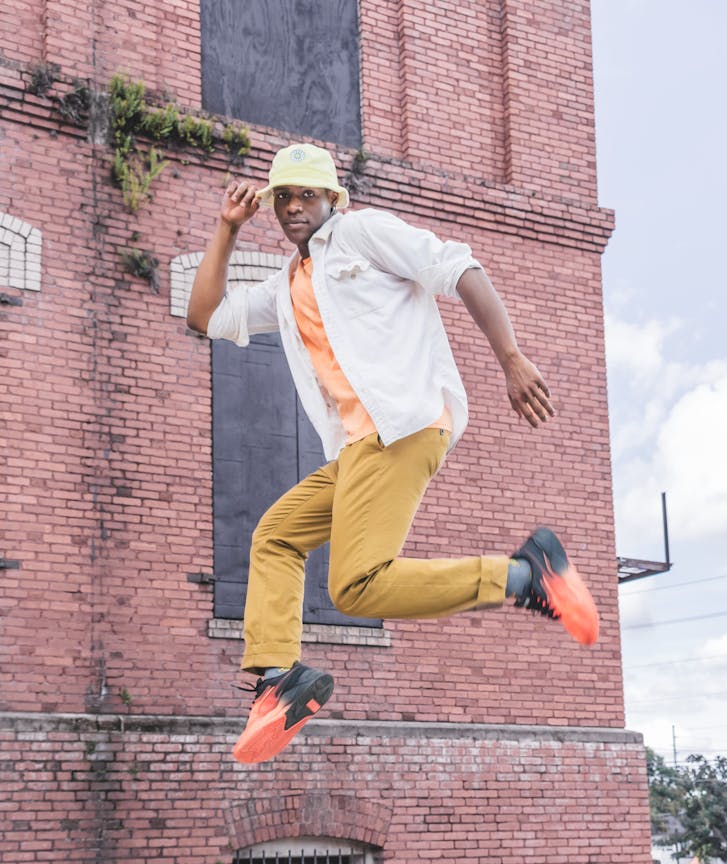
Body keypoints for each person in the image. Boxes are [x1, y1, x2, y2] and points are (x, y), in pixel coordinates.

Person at [187, 142, 599, 764]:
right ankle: (280, 680)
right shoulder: (286, 284)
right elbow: (204, 315)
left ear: (333, 199)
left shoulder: (362, 234)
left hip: (403, 425)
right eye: (284, 197)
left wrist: (509, 356)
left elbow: (459, 267)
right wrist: (226, 228)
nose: (295, 207)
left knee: (356, 586)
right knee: (274, 536)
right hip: (357, 448)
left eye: (307, 195)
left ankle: (526, 575)